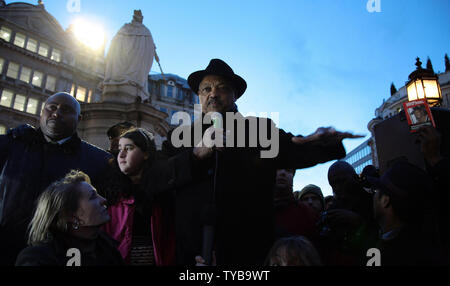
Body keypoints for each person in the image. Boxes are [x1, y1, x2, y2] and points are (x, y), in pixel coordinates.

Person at [164, 58, 362, 266]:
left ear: (235, 95)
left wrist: (324, 141)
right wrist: (195, 155)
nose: (213, 93)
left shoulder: (259, 132)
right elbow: (156, 177)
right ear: (199, 96)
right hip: (191, 257)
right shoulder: (180, 137)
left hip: (248, 257)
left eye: (222, 88)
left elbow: (294, 148)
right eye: (206, 89)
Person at [0, 92, 112, 265]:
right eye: (51, 107)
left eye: (66, 110)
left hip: (57, 257)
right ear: (42, 112)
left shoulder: (98, 160)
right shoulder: (11, 145)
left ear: (79, 118)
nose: (56, 113)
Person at [102, 128, 190, 265]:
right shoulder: (110, 194)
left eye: (129, 148)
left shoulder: (163, 191)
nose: (121, 155)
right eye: (120, 149)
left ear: (146, 154)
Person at [15, 170, 123, 266]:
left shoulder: (107, 248)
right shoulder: (38, 258)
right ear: (70, 215)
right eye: (92, 196)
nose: (103, 200)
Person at [371, 161, 445, 265]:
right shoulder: (425, 246)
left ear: (385, 200)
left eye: (375, 191)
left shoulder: (384, 257)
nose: (373, 196)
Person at [318, 161, 379, 265]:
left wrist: (359, 223)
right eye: (333, 184)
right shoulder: (333, 209)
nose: (337, 187)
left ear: (355, 178)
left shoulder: (373, 203)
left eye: (342, 181)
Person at [273, 169, 319, 242]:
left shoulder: (307, 213)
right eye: (278, 168)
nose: (282, 173)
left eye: (288, 170)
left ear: (293, 176)